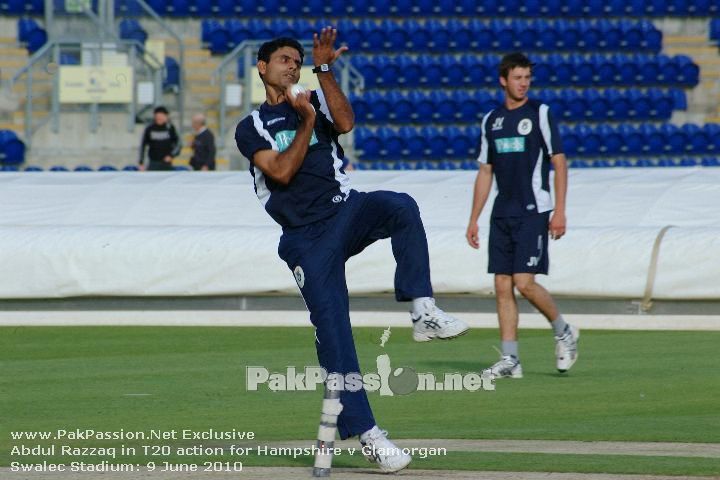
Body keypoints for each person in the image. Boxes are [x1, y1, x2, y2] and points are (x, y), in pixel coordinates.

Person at [235, 31, 468, 473]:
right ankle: (370, 436)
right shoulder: (253, 126)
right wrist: (304, 121)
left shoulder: (314, 101)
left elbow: (345, 123)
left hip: (347, 210)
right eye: (284, 59)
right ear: (262, 68)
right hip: (305, 238)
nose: (292, 65)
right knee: (335, 336)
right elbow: (281, 172)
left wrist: (324, 72)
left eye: (298, 60)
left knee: (400, 205)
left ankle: (422, 309)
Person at [465, 53, 579, 379]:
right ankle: (511, 359)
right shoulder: (492, 120)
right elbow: (485, 171)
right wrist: (474, 218)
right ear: (504, 80)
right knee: (502, 285)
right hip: (503, 212)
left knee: (524, 283)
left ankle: (564, 330)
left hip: (534, 210)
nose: (524, 83)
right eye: (518, 77)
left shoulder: (540, 113)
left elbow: (559, 162)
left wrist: (560, 210)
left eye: (527, 77)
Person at [138, 106, 181, 171]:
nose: (159, 119)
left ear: (166, 117)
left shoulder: (170, 128)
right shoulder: (150, 128)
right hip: (153, 162)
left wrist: (171, 155)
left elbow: (178, 144)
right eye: (157, 117)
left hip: (166, 163)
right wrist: (141, 162)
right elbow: (143, 146)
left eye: (161, 117)